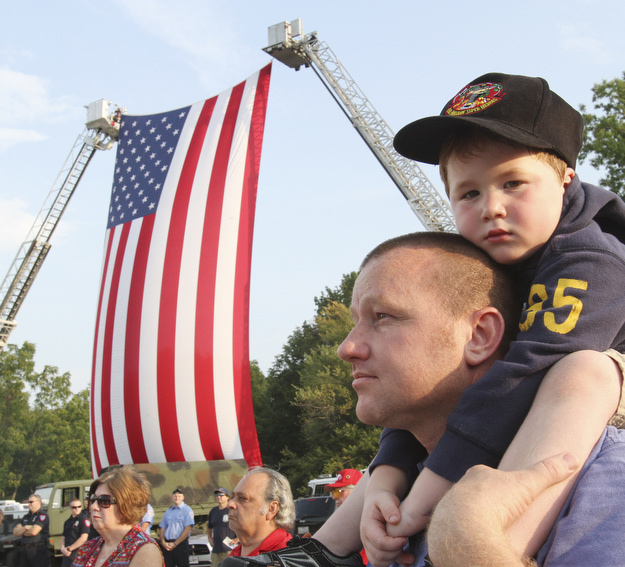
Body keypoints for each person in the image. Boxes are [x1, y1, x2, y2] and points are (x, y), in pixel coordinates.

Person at [220, 233, 625, 566]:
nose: (346, 348)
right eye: (354, 322)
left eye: (383, 317)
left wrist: (469, 537)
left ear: (480, 336)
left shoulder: (607, 489)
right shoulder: (394, 494)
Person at [71, 465, 163, 567]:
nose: (93, 506)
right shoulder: (87, 548)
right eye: (93, 499)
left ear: (127, 505)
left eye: (104, 500)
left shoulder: (144, 550)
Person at [227, 467, 294, 557]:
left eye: (242, 498)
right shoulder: (235, 555)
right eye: (232, 497)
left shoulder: (288, 557)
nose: (230, 504)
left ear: (271, 509)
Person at [325, 470, 367, 565]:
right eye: (333, 493)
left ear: (357, 491)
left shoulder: (368, 520)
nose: (334, 497)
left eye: (339, 491)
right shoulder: (340, 522)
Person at [158, 489, 195, 567]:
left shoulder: (187, 510)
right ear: (172, 497)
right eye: (175, 496)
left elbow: (187, 529)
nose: (177, 498)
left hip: (180, 545)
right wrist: (163, 543)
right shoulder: (168, 511)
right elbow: (162, 528)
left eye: (179, 496)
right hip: (168, 545)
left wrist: (175, 544)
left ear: (183, 497)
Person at [13, 494, 50, 567]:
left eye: (31, 502)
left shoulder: (42, 515)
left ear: (38, 502)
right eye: (28, 502)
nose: (29, 504)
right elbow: (15, 532)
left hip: (37, 550)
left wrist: (22, 531)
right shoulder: (26, 516)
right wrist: (26, 527)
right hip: (25, 549)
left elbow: (34, 532)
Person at [207, 488, 237, 566]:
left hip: (229, 549)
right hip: (216, 549)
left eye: (221, 495)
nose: (218, 497)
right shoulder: (213, 511)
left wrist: (237, 539)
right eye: (217, 495)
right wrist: (210, 538)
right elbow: (209, 527)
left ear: (227, 497)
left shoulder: (232, 510)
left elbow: (243, 526)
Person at [59, 499, 90, 567]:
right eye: (74, 507)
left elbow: (84, 538)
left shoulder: (84, 520)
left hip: (78, 554)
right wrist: (62, 548)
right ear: (70, 508)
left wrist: (70, 549)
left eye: (79, 506)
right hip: (67, 555)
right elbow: (63, 537)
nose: (77, 509)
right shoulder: (67, 521)